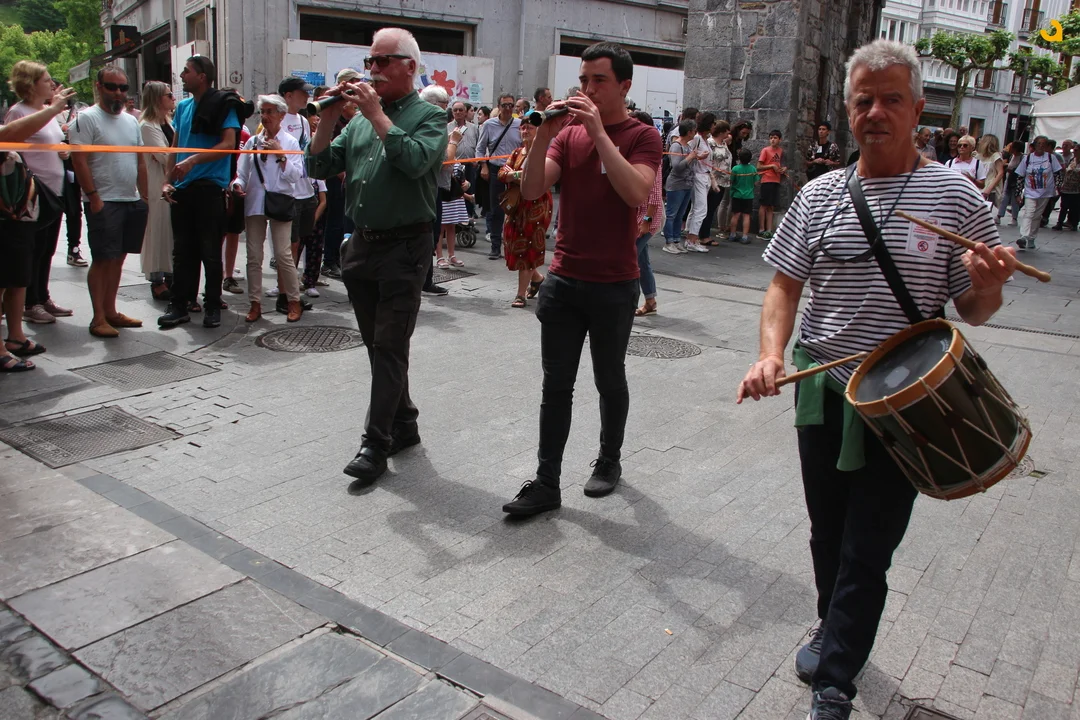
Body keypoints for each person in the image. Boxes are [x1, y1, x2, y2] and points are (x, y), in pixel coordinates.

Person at [736, 40, 1017, 720]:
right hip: (822, 390)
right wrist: (770, 354)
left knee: (868, 546)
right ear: (848, 110)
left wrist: (989, 285)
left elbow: (975, 309)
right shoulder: (819, 194)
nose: (876, 112)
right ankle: (832, 622)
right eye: (864, 100)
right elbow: (784, 286)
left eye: (892, 99)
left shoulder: (956, 196)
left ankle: (835, 680)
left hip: (905, 401)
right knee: (827, 532)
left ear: (918, 109)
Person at [502, 41, 662, 516]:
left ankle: (609, 460)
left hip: (614, 283)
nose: (587, 89)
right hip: (564, 281)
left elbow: (635, 191)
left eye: (599, 81)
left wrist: (597, 131)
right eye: (583, 80)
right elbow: (533, 187)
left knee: (609, 378)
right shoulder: (567, 134)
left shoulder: (642, 136)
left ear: (624, 86)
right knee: (556, 385)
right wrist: (540, 137)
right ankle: (546, 482)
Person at [307, 27, 448, 487]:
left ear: (410, 66)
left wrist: (375, 114)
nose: (373, 70)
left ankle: (375, 442)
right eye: (370, 61)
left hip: (406, 245)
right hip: (363, 245)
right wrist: (327, 118)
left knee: (389, 345)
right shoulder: (359, 121)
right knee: (378, 346)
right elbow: (318, 166)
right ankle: (404, 421)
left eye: (383, 61)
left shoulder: (430, 116)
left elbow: (415, 161)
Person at [159, 55, 247, 329]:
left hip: (210, 189)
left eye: (186, 71)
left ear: (202, 76)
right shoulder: (183, 107)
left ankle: (212, 305)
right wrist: (167, 181)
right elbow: (175, 146)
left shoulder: (224, 104)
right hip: (182, 189)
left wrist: (193, 160)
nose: (182, 76)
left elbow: (229, 144)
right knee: (182, 252)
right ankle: (180, 305)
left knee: (210, 252)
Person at [68, 65, 149, 339]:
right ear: (99, 87)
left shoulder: (131, 121)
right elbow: (79, 161)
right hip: (104, 201)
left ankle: (111, 311)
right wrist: (93, 197)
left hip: (130, 199)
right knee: (103, 259)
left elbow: (140, 160)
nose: (118, 93)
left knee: (119, 258)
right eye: (112, 87)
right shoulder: (86, 119)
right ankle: (98, 318)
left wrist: (144, 197)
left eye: (123, 88)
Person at [4, 61, 75, 326]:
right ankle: (30, 303)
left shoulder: (46, 112)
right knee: (31, 249)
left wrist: (63, 150)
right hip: (32, 193)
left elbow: (52, 142)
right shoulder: (18, 112)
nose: (51, 84)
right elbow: (12, 147)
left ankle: (42, 296)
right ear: (31, 84)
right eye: (45, 79)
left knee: (47, 247)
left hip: (54, 190)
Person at [233, 94, 305, 322]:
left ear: (281, 115)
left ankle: (294, 301)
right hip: (255, 202)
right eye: (262, 111)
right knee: (254, 256)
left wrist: (280, 153)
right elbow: (242, 173)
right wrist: (237, 185)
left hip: (280, 202)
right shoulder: (253, 142)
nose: (265, 116)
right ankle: (255, 303)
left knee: (283, 254)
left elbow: (295, 176)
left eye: (270, 111)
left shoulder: (290, 142)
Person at [498, 111, 551, 308]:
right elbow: (502, 173)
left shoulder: (544, 153)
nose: (525, 130)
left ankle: (520, 295)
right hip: (517, 206)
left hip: (536, 205)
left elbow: (539, 177)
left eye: (530, 127)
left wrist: (515, 175)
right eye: (523, 127)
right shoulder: (516, 152)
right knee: (514, 245)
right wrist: (515, 175)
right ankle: (536, 278)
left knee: (528, 248)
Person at [138, 81, 176, 302]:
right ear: (157, 99)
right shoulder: (147, 126)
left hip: (171, 184)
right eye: (168, 95)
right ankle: (157, 280)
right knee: (157, 232)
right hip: (156, 185)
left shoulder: (168, 123)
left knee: (169, 233)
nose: (173, 98)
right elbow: (164, 155)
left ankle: (170, 276)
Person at [477, 93, 522, 259]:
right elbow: (480, 148)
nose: (508, 108)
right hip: (496, 170)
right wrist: (483, 166)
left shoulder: (520, 124)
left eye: (511, 105)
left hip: (516, 171)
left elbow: (526, 145)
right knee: (496, 209)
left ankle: (515, 246)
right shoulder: (489, 125)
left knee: (516, 207)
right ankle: (495, 246)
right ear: (499, 107)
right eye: (505, 105)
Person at [631, 110, 663, 316]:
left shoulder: (652, 152)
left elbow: (655, 194)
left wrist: (646, 220)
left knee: (629, 260)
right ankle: (650, 300)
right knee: (641, 260)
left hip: (647, 217)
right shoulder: (636, 149)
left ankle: (628, 302)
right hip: (637, 215)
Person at [1014, 135, 1062, 250]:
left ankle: (1031, 238)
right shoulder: (1028, 159)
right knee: (1029, 213)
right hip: (1030, 192)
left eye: (1043, 144)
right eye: (1039, 143)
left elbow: (1058, 174)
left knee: (1037, 216)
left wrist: (1058, 187)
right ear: (1034, 145)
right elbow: (1020, 176)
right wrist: (1018, 193)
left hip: (1045, 192)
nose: (1041, 146)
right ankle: (1024, 236)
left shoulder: (1051, 158)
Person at [661, 119, 696, 254]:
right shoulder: (677, 146)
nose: (695, 134)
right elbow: (677, 166)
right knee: (672, 214)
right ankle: (669, 241)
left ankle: (676, 240)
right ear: (689, 132)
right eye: (693, 131)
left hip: (687, 184)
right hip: (676, 184)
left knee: (680, 214)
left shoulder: (688, 146)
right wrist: (690, 157)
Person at [683, 112, 714, 253]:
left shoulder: (704, 139)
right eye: (713, 123)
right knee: (701, 209)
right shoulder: (697, 139)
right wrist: (698, 157)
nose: (714, 126)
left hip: (704, 176)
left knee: (696, 208)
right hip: (699, 175)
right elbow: (687, 151)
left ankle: (690, 237)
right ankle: (692, 239)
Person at [699, 120, 731, 244]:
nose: (728, 133)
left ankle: (704, 234)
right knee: (708, 208)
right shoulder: (711, 143)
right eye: (726, 131)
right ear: (721, 132)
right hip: (713, 180)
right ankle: (703, 235)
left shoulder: (723, 143)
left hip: (723, 180)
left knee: (712, 207)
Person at [756, 129, 786, 239]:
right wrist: (771, 166)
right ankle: (761, 229)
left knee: (771, 206)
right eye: (771, 138)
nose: (773, 140)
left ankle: (769, 230)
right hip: (767, 179)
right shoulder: (765, 150)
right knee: (764, 205)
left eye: (775, 138)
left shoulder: (780, 151)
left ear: (780, 139)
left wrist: (783, 169)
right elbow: (759, 166)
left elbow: (781, 164)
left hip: (776, 180)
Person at [728, 148, 757, 244]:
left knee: (735, 215)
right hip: (748, 196)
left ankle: (732, 234)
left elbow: (731, 181)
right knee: (746, 215)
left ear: (739, 158)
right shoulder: (753, 169)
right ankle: (745, 236)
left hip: (736, 194)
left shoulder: (735, 169)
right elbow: (756, 182)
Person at [998, 140, 1024, 226]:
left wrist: (1012, 170)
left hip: (1016, 181)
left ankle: (1014, 218)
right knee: (1004, 197)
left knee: (1014, 199)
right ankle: (999, 215)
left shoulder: (1022, 158)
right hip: (1009, 179)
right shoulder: (1012, 156)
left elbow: (1021, 170)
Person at [976, 134, 1004, 209]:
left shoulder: (995, 156)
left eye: (982, 140)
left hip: (991, 189)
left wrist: (989, 188)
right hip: (979, 188)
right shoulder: (978, 156)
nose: (979, 142)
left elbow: (1000, 173)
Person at [1053, 154, 1079, 231]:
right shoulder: (1072, 160)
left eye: (1076, 150)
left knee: (1075, 208)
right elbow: (1066, 170)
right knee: (1063, 206)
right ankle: (1060, 223)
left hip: (1076, 188)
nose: (1074, 152)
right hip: (1066, 187)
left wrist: (1072, 171)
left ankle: (1074, 224)